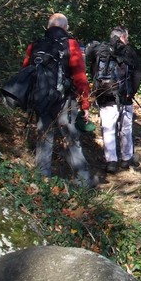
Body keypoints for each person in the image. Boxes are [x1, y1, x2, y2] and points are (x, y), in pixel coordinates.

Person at [22, 12, 96, 187]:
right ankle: (83, 180)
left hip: (41, 100)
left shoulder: (35, 45)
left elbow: (25, 71)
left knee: (44, 137)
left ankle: (42, 181)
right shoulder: (70, 44)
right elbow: (80, 77)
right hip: (65, 101)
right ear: (65, 27)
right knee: (71, 138)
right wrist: (85, 104)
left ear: (48, 26)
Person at [85, 27, 141, 174]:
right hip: (125, 97)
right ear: (122, 37)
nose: (128, 40)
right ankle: (126, 158)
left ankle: (111, 161)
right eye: (127, 37)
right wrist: (132, 92)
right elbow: (137, 74)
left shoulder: (101, 51)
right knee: (126, 128)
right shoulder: (129, 52)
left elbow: (93, 71)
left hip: (105, 96)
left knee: (108, 128)